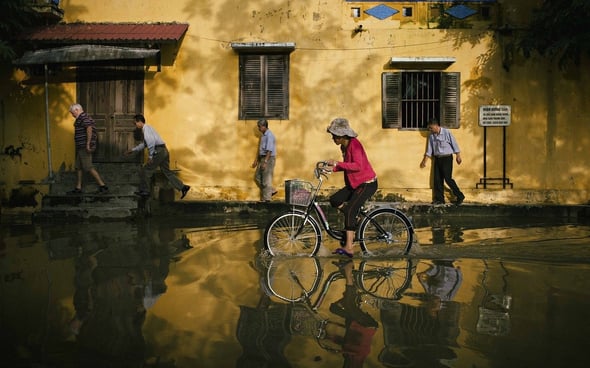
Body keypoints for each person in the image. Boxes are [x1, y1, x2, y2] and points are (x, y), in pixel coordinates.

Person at [326, 118, 377, 258]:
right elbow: (347, 166)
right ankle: (354, 219)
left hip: (367, 183)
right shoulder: (344, 146)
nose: (333, 138)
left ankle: (349, 247)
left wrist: (337, 163)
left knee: (349, 211)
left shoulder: (355, 145)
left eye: (334, 136)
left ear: (342, 135)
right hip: (355, 183)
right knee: (335, 200)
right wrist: (332, 169)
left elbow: (358, 166)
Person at [125, 114, 190, 199]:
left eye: (135, 123)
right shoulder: (149, 128)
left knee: (146, 170)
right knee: (167, 172)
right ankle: (183, 187)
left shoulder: (146, 129)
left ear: (140, 122)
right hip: (164, 150)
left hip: (158, 151)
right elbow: (145, 144)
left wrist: (151, 156)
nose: (135, 125)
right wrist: (133, 150)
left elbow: (151, 142)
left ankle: (145, 191)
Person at [420, 118, 465, 205]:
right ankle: (439, 199)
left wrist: (458, 155)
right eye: (429, 128)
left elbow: (454, 143)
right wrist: (424, 161)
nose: (430, 130)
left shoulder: (446, 132)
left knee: (448, 179)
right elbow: (429, 150)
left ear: (436, 125)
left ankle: (460, 196)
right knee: (437, 180)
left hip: (447, 158)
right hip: (437, 159)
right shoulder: (431, 136)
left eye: (431, 128)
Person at [67, 104, 108, 195]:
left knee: (88, 167)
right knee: (78, 167)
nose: (72, 115)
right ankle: (78, 188)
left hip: (84, 147)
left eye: (72, 113)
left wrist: (88, 143)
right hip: (81, 147)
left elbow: (89, 128)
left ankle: (103, 186)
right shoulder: (83, 118)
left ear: (77, 110)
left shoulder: (83, 117)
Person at [251, 119, 277, 202]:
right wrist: (256, 160)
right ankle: (271, 190)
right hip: (262, 158)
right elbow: (260, 149)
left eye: (259, 127)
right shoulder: (263, 135)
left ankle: (267, 199)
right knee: (257, 177)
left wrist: (265, 162)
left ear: (264, 126)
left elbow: (269, 150)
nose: (258, 128)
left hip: (268, 158)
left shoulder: (269, 135)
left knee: (266, 179)